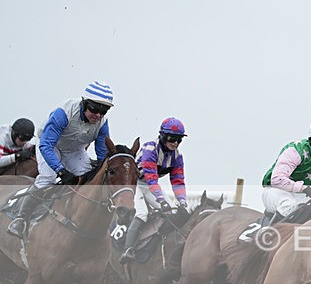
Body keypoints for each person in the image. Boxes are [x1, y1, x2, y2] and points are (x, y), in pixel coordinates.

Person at [7, 80, 113, 238]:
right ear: (85, 103)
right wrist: (61, 171)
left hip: (74, 150)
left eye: (103, 110)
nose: (98, 115)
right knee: (48, 178)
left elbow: (102, 153)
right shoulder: (64, 113)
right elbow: (46, 145)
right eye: (95, 109)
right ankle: (20, 218)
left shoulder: (102, 123)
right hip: (50, 146)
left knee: (87, 177)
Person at [120, 117, 189, 263]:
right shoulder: (150, 148)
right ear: (163, 136)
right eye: (172, 138)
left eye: (179, 140)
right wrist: (161, 199)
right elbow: (151, 178)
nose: (175, 143)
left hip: (148, 185)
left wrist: (182, 201)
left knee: (173, 211)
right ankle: (128, 249)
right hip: (134, 183)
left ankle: (155, 245)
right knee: (142, 213)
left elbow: (178, 181)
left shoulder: (177, 156)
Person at [261, 117, 311, 220]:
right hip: (275, 190)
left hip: (300, 195)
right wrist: (305, 188)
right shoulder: (295, 151)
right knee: (288, 206)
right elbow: (277, 180)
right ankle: (270, 235)